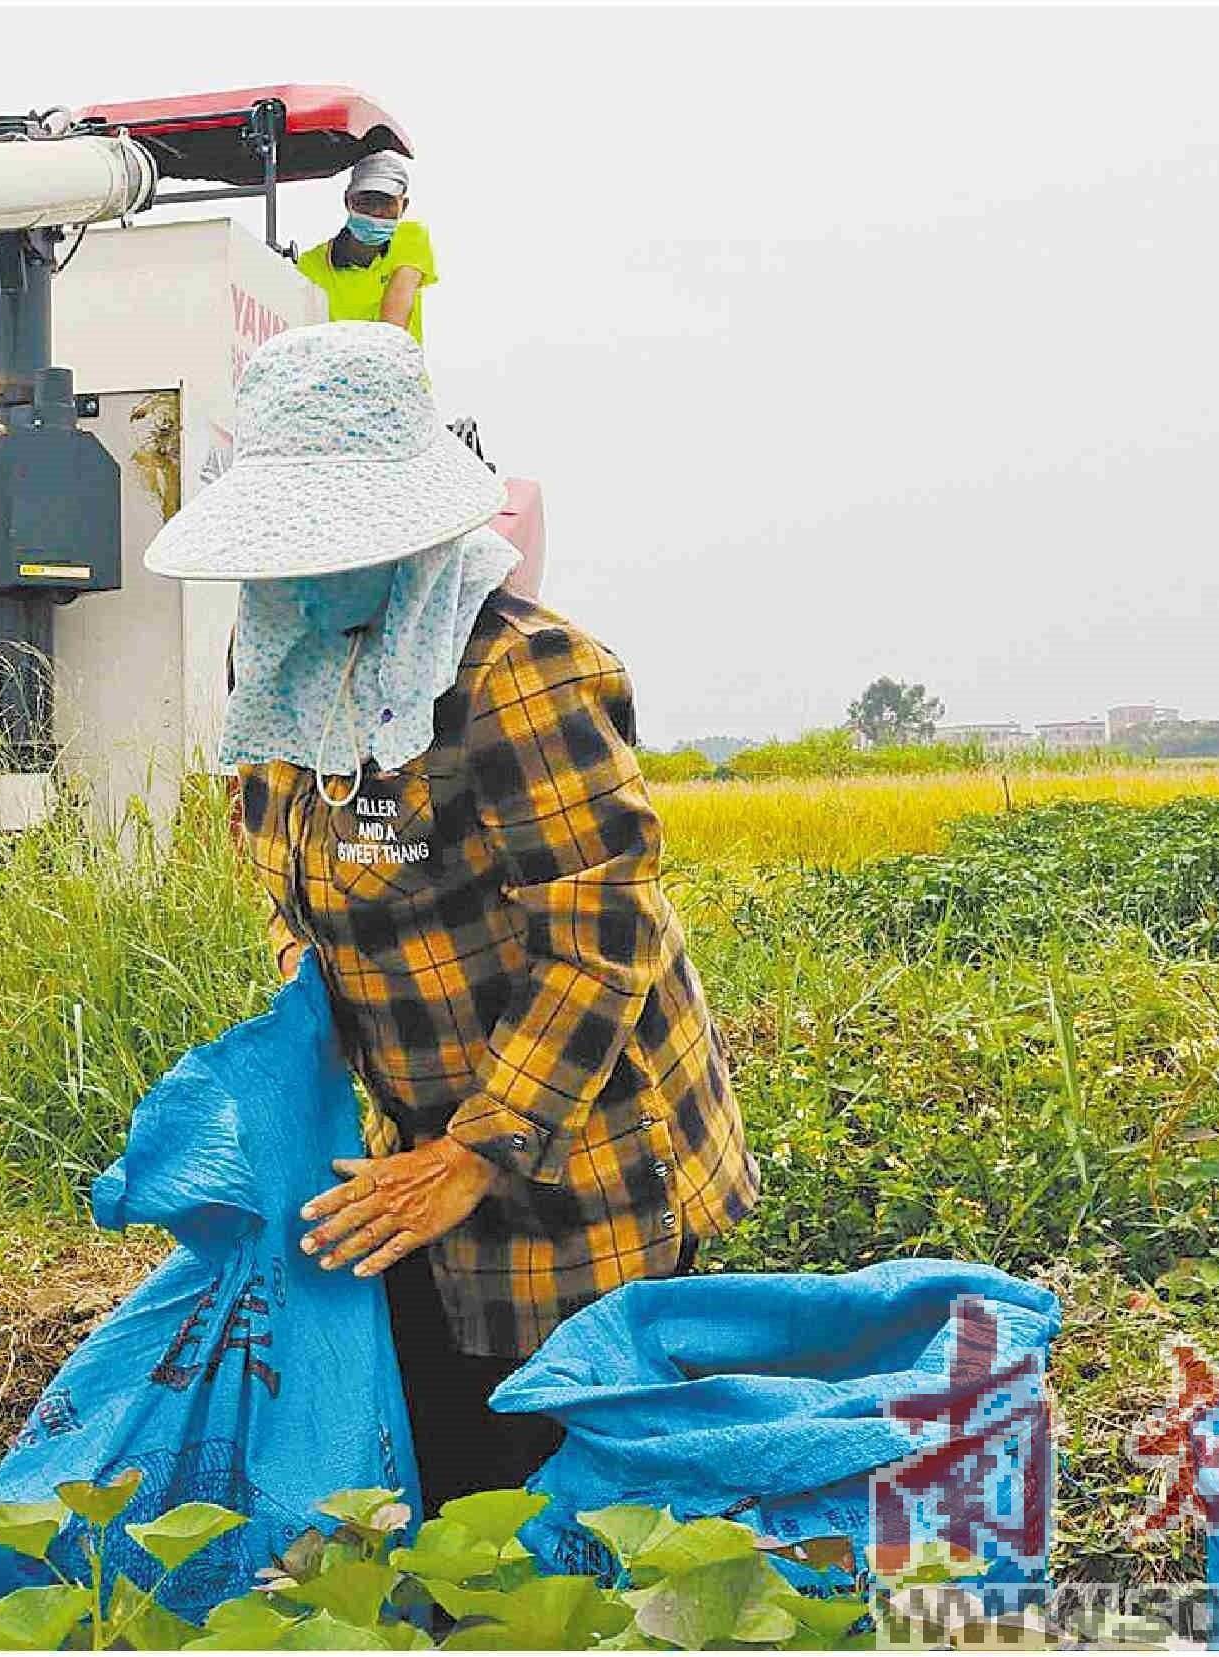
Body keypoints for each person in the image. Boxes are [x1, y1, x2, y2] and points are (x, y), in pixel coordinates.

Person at [144, 322, 756, 1505]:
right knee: (434, 1456)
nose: (304, 578)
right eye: (282, 548)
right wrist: (301, 1020)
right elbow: (284, 863)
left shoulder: (517, 672)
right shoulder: (277, 662)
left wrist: (477, 1153)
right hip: (420, 1128)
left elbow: (601, 928)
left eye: (336, 546)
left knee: (566, 1475)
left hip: (588, 1144)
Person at [297, 151, 437, 342]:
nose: (376, 212)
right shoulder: (310, 265)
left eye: (386, 203)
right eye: (366, 201)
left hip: (396, 369)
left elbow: (392, 331)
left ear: (403, 207)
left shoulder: (412, 237)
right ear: (347, 201)